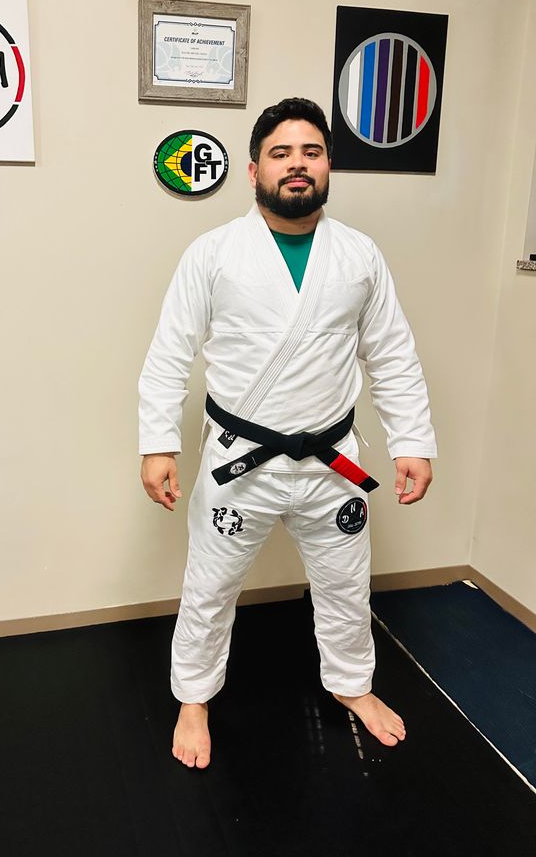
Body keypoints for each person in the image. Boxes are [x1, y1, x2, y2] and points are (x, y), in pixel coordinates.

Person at [138, 97, 436, 770]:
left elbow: (391, 353)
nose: (298, 165)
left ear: (328, 165)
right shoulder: (213, 253)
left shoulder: (359, 255)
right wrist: (159, 442)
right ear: (253, 171)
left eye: (312, 152)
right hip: (239, 461)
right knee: (210, 587)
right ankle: (194, 695)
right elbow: (168, 354)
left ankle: (353, 684)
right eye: (281, 153)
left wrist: (412, 441)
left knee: (345, 584)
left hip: (333, 463)